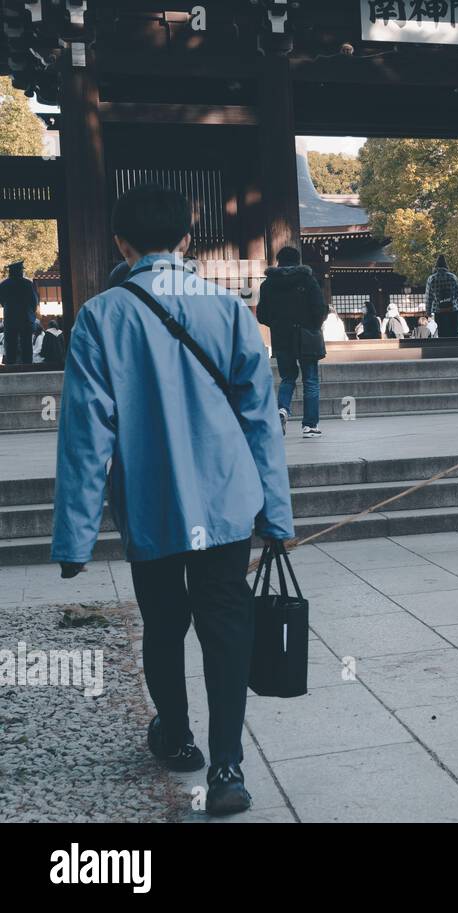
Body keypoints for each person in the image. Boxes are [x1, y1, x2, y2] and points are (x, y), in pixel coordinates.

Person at [50, 184, 294, 817]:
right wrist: (276, 512)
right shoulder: (230, 309)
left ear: (121, 243)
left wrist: (74, 538)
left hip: (153, 503)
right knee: (225, 623)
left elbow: (85, 434)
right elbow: (261, 418)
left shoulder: (101, 316)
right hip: (226, 500)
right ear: (189, 240)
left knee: (163, 625)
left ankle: (178, 737)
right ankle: (229, 768)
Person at [257, 246, 328, 438]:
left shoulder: (267, 285)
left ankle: (282, 410)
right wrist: (312, 324)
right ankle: (309, 426)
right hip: (306, 337)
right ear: (298, 260)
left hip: (281, 338)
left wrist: (278, 324)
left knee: (288, 378)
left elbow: (262, 315)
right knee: (310, 380)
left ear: (279, 261)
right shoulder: (308, 280)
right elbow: (320, 309)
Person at [0, 260, 38, 365]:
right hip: (25, 317)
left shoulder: (4, 284)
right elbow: (34, 301)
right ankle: (28, 365)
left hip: (10, 318)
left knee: (10, 343)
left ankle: (11, 365)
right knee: (26, 344)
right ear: (19, 271)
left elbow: (2, 301)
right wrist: (31, 312)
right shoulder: (27, 284)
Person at [425, 254, 458, 338]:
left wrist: (428, 312)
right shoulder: (452, 277)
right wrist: (452, 299)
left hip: (439, 310)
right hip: (452, 309)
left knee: (442, 333)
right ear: (446, 266)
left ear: (436, 266)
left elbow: (429, 298)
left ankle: (444, 350)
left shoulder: (431, 279)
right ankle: (456, 350)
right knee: (454, 332)